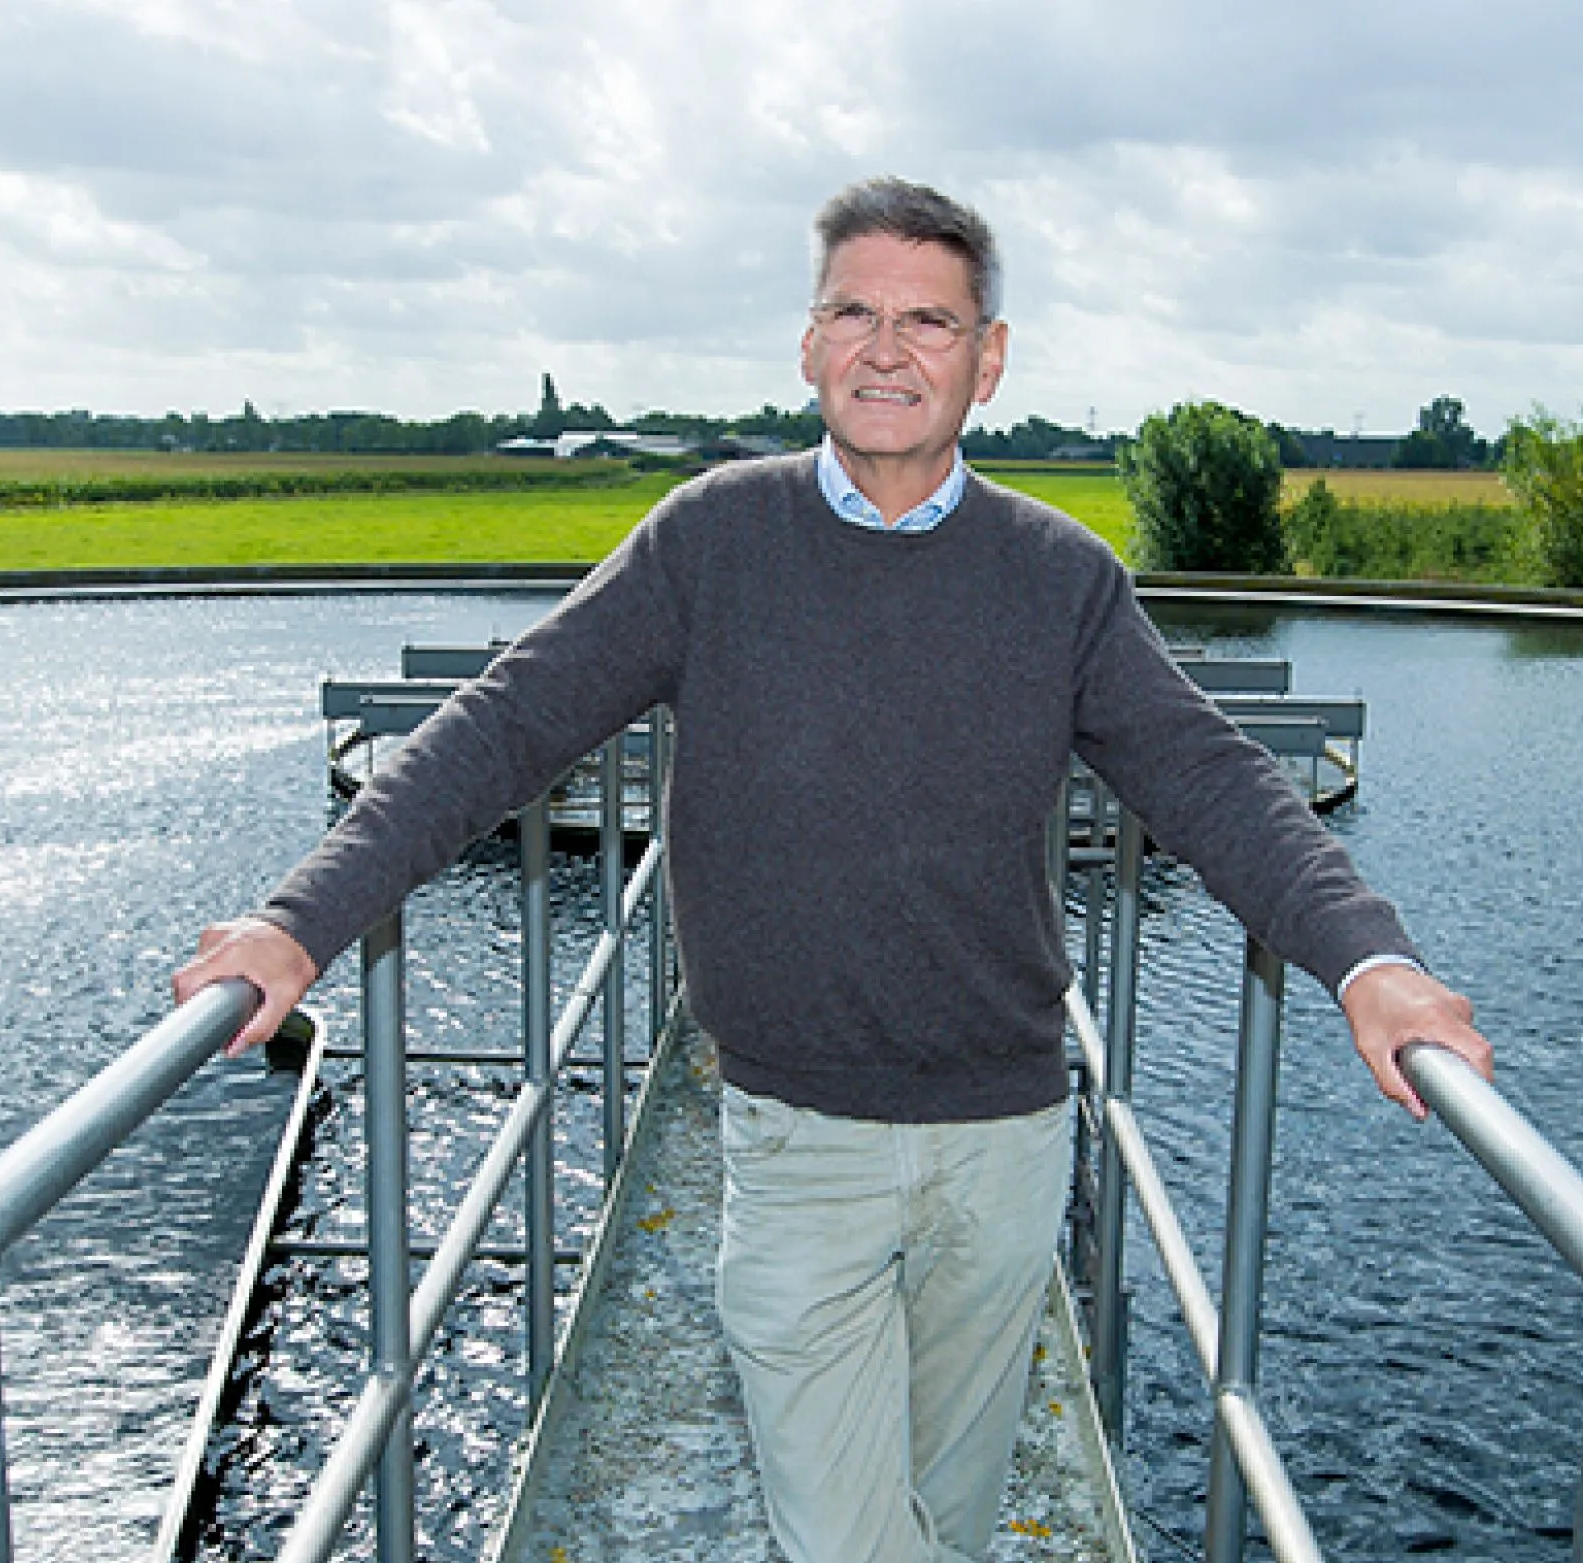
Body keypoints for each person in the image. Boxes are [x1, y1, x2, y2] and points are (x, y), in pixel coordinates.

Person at [173, 175, 1492, 1563]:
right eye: (852, 311)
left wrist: (1369, 956)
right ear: (807, 346)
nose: (886, 347)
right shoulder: (709, 543)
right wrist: (298, 920)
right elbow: (504, 723)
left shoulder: (1061, 576)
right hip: (796, 1141)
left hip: (1004, 1144)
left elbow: (1214, 777)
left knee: (951, 1517)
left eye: (930, 320)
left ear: (989, 360)